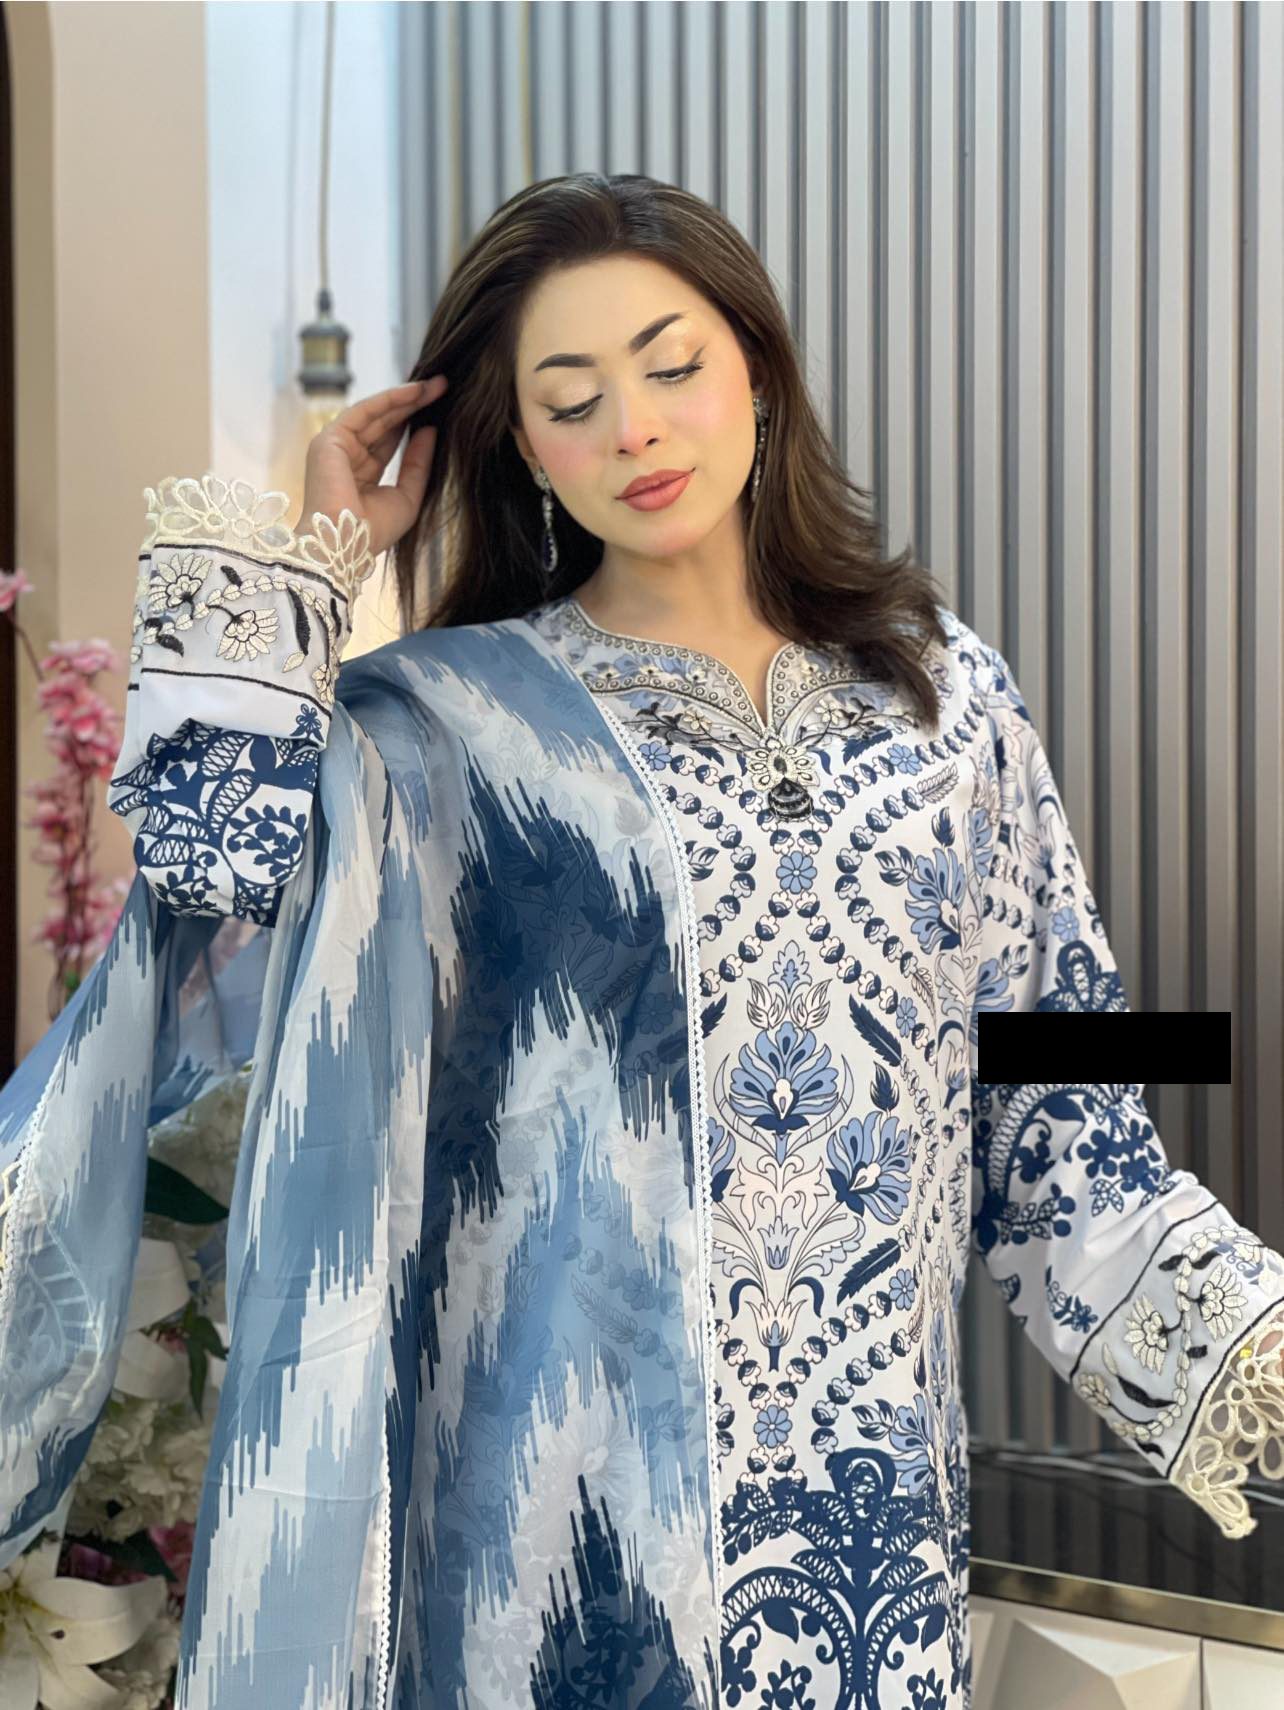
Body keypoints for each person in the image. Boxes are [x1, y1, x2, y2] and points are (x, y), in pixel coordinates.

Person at [2, 172, 1282, 1710]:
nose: (636, 430)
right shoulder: (447, 732)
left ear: (760, 368)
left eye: (673, 366)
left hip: (875, 1574)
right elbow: (203, 885)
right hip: (549, 1575)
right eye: (572, 400)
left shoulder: (949, 701)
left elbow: (1065, 1112)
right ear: (519, 444)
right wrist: (324, 550)